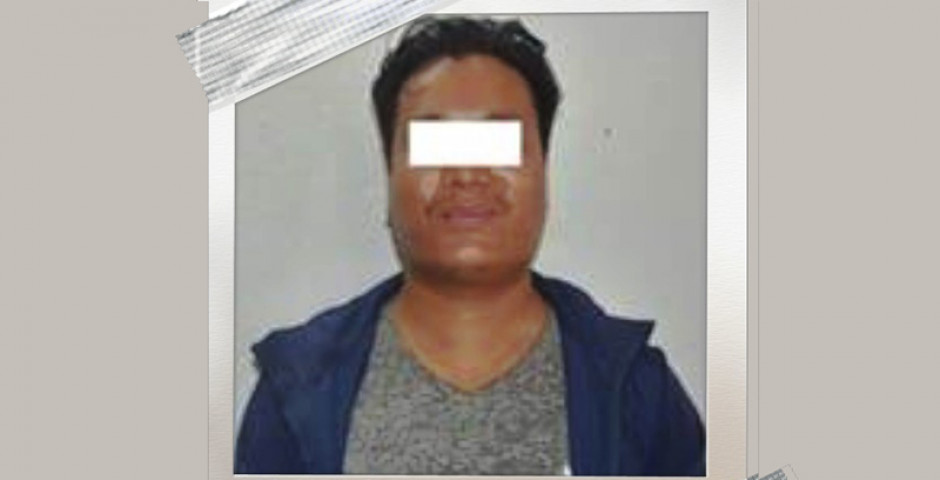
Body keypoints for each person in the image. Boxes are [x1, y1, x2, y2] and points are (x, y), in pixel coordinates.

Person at [236, 16, 705, 476]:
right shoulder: (298, 390)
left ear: (544, 171)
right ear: (390, 174)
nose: (466, 174)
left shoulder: (639, 392)